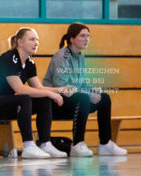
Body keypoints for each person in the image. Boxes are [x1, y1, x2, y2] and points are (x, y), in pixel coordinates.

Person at [0, 27, 76, 159]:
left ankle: (45, 144)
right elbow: (20, 89)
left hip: (3, 103)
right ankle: (28, 145)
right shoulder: (7, 59)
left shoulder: (29, 64)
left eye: (37, 40)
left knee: (43, 99)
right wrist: (51, 94)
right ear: (20, 42)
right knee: (24, 98)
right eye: (32, 39)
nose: (36, 43)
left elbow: (39, 88)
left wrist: (61, 90)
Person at [43, 23, 127, 156]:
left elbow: (82, 85)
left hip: (74, 99)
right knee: (83, 98)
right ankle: (78, 144)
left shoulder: (80, 57)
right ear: (72, 39)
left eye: (88, 36)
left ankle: (105, 144)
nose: (86, 39)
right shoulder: (61, 56)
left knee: (104, 98)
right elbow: (63, 87)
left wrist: (92, 90)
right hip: (54, 103)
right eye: (82, 36)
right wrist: (87, 94)